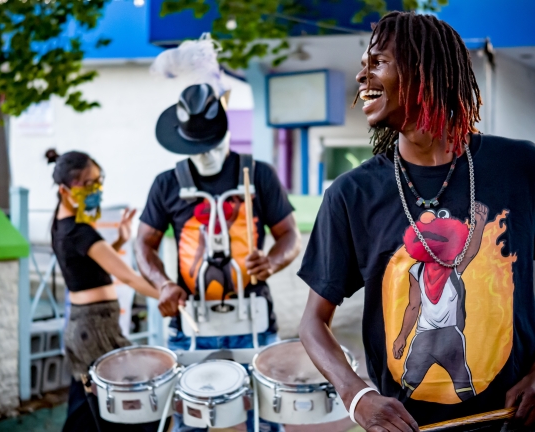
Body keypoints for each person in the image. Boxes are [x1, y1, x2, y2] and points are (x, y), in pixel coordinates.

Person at [298, 11, 535, 431]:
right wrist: (358, 395)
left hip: (513, 421)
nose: (361, 77)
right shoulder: (352, 194)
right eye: (362, 65)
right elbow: (313, 322)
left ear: (426, 72)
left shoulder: (521, 166)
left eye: (378, 63)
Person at [136, 83, 301, 432]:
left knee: (267, 418)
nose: (205, 152)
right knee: (188, 420)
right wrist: (163, 284)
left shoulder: (258, 175)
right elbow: (144, 244)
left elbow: (290, 236)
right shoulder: (167, 184)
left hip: (253, 317)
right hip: (191, 320)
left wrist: (271, 262)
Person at [46, 149, 162, 432]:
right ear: (64, 190)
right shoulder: (80, 232)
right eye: (87, 185)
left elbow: (89, 266)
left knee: (84, 410)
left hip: (81, 328)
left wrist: (121, 241)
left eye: (98, 182)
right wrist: (171, 297)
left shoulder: (61, 225)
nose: (95, 190)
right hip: (96, 330)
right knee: (129, 406)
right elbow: (132, 279)